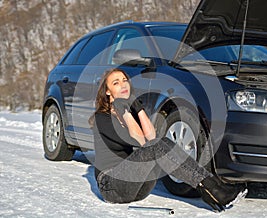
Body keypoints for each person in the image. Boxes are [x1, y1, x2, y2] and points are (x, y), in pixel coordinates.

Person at [89, 68, 247, 212]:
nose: (123, 85)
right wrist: (123, 108)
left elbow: (151, 138)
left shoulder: (129, 114)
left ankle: (214, 185)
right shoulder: (101, 118)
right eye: (116, 83)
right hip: (112, 186)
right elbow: (137, 138)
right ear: (108, 92)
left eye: (125, 80)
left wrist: (138, 106)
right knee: (156, 146)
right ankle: (213, 189)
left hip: (136, 187)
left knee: (160, 142)